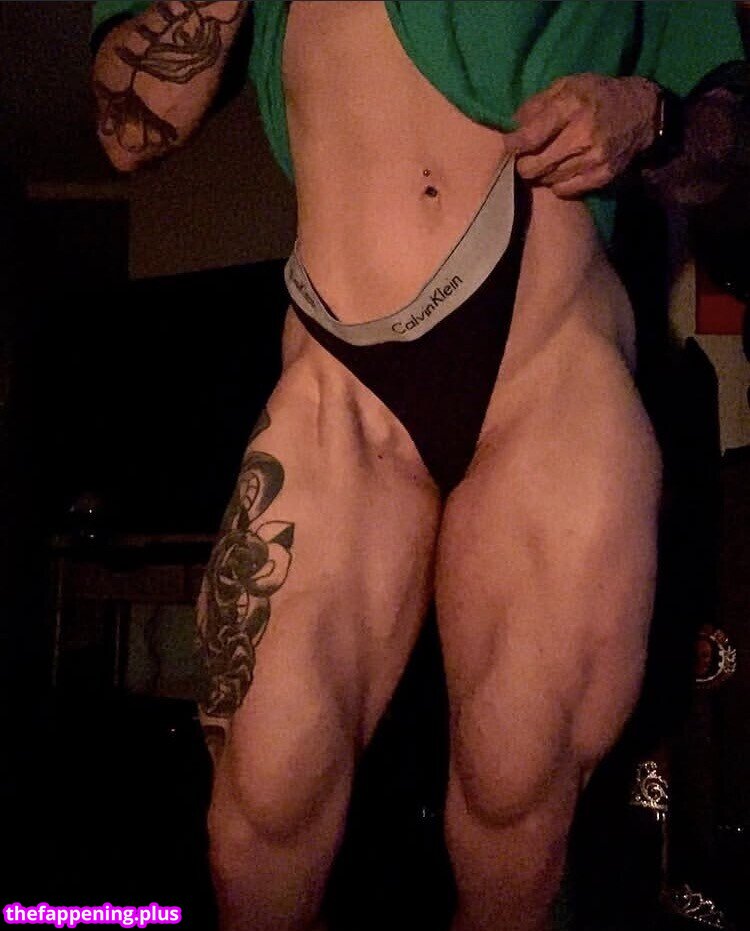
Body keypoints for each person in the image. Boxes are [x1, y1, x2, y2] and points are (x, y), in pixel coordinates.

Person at [91, 3, 743, 929]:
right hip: (342, 380)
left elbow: (733, 136)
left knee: (518, 808)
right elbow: (128, 130)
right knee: (261, 805)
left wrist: (656, 117)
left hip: (550, 367)